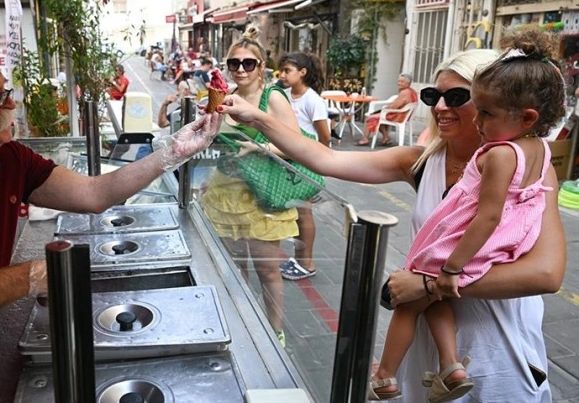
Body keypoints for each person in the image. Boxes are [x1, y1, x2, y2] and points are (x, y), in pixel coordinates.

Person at [0, 50, 221, 403]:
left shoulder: (6, 158)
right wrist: (33, 276)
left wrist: (173, 152)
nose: (11, 105)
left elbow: (94, 193)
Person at [217, 47, 565, 402]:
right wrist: (256, 117)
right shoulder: (423, 162)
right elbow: (326, 158)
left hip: (498, 344)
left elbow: (546, 274)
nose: (441, 107)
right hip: (431, 343)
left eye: (457, 96)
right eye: (433, 96)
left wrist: (428, 285)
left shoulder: (531, 170)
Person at [369, 27, 565, 402]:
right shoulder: (538, 150)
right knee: (430, 300)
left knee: (411, 302)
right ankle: (449, 364)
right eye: (434, 96)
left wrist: (448, 272)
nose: (474, 120)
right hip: (496, 257)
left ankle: (385, 374)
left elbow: (490, 219)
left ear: (525, 117)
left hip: (497, 334)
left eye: (481, 110)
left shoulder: (499, 155)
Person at [201, 25, 302, 347]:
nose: (241, 69)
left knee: (268, 271)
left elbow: (297, 144)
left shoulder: (273, 97)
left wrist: (261, 147)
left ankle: (275, 332)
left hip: (262, 198)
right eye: (234, 63)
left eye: (248, 63)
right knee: (234, 268)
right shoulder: (225, 96)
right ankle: (243, 323)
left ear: (262, 67)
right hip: (224, 193)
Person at [276, 52, 330, 280]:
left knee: (303, 213)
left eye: (288, 70)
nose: (283, 75)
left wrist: (317, 163)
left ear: (303, 72)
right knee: (295, 213)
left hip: (304, 164)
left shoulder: (313, 100)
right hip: (287, 162)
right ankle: (299, 258)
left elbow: (324, 136)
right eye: (282, 70)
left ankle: (306, 263)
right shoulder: (283, 95)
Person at [356, 73, 418, 146]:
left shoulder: (404, 93)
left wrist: (384, 108)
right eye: (398, 81)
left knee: (370, 117)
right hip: (404, 115)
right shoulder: (412, 92)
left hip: (399, 116)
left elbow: (394, 107)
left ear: (408, 83)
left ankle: (365, 139)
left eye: (402, 82)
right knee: (379, 116)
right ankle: (386, 137)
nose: (399, 83)